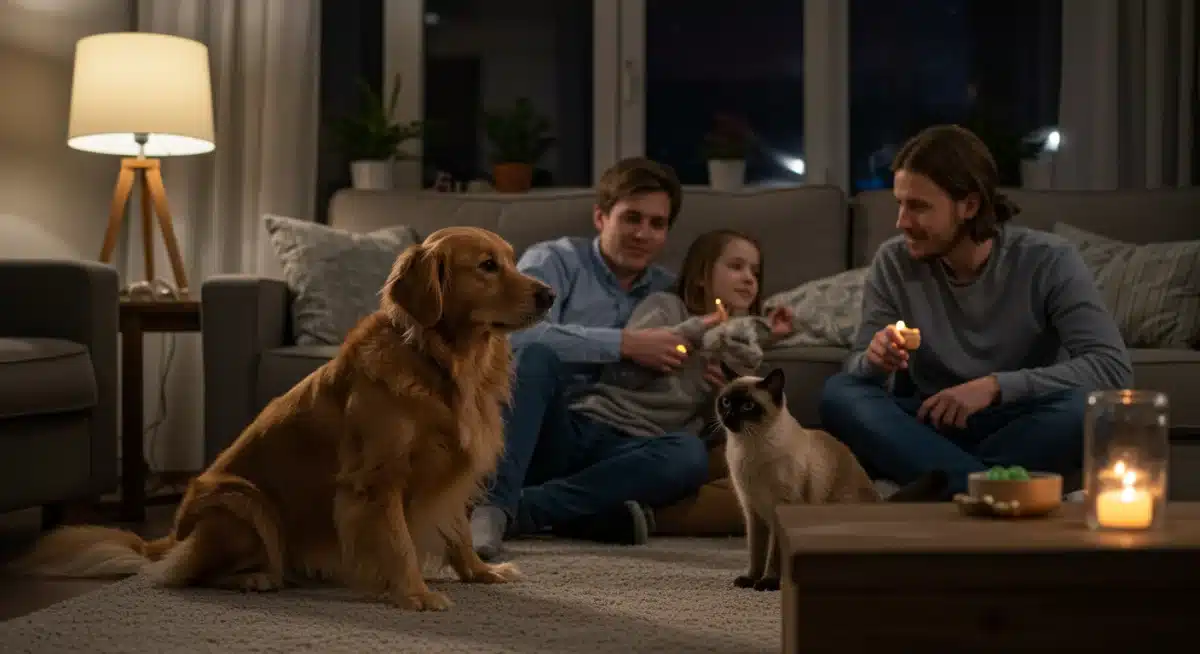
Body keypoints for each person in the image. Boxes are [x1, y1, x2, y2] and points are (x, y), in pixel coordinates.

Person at [818, 125, 1134, 499]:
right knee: (840, 393)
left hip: (1017, 417)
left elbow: (1113, 368)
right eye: (900, 204)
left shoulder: (1049, 259)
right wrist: (874, 362)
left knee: (1085, 408)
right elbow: (857, 370)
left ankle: (935, 484)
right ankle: (993, 487)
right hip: (928, 421)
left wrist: (994, 387)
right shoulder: (894, 261)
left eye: (918, 206)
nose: (901, 221)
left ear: (969, 206)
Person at [470, 157, 720, 560]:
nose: (643, 234)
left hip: (619, 443)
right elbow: (517, 335)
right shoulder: (556, 260)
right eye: (631, 218)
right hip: (546, 427)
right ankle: (498, 502)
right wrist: (625, 343)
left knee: (688, 455)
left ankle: (525, 511)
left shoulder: (669, 291)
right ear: (601, 217)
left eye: (657, 224)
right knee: (537, 355)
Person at [570, 229, 795, 536]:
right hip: (613, 431)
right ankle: (598, 510)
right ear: (701, 276)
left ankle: (622, 516)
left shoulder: (736, 350)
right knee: (690, 457)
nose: (748, 279)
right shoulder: (665, 308)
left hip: (665, 450)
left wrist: (723, 401)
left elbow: (709, 429)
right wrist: (685, 341)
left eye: (755, 272)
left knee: (768, 484)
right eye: (736, 267)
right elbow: (620, 377)